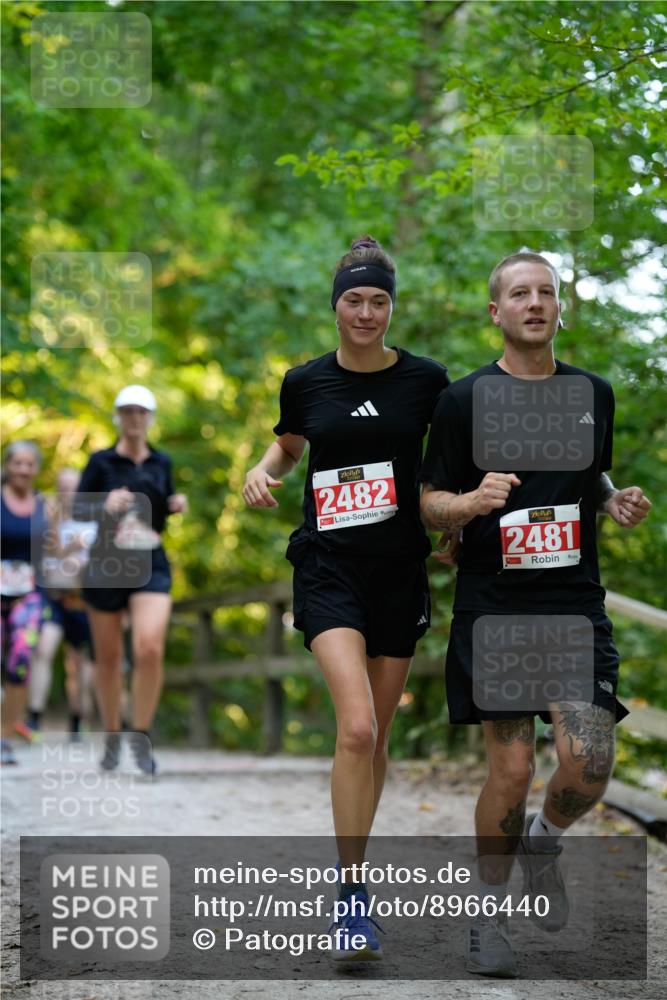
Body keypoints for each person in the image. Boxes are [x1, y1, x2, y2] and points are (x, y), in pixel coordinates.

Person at [420, 251, 652, 978]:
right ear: (495, 311)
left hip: (572, 603)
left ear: (558, 308)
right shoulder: (461, 401)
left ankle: (544, 842)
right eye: (519, 293)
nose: (534, 302)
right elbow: (428, 500)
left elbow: (591, 472)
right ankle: (487, 919)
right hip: (497, 605)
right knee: (512, 769)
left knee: (589, 762)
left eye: (546, 292)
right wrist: (468, 504)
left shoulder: (592, 392)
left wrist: (611, 500)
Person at [243, 236, 450, 960]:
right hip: (327, 565)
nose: (366, 312)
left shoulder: (427, 380)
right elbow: (290, 447)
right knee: (356, 728)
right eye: (354, 300)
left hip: (397, 569)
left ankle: (354, 874)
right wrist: (261, 469)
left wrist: (453, 521)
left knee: (379, 738)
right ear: (334, 306)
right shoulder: (304, 381)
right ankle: (352, 895)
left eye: (378, 300)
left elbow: (448, 465)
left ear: (391, 306)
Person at [76, 385, 188, 775]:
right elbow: (77, 508)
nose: (135, 418)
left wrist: (176, 504)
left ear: (151, 418)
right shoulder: (100, 461)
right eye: (128, 411)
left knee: (149, 648)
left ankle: (140, 735)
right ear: (118, 417)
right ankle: (111, 734)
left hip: (150, 561)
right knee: (107, 658)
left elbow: (165, 506)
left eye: (142, 411)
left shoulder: (162, 461)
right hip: (106, 562)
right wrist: (102, 503)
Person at [23, 467, 98, 742]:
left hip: (83, 602)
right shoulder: (44, 522)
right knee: (43, 650)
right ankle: (34, 718)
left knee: (81, 667)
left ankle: (78, 720)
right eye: (62, 486)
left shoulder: (93, 524)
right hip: (52, 598)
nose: (67, 492)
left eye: (73, 487)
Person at [1, 441, 48, 765]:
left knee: (20, 661)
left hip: (29, 593)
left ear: (36, 469)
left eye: (29, 463)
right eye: (18, 462)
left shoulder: (45, 505)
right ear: (7, 465)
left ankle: (4, 737)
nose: (23, 469)